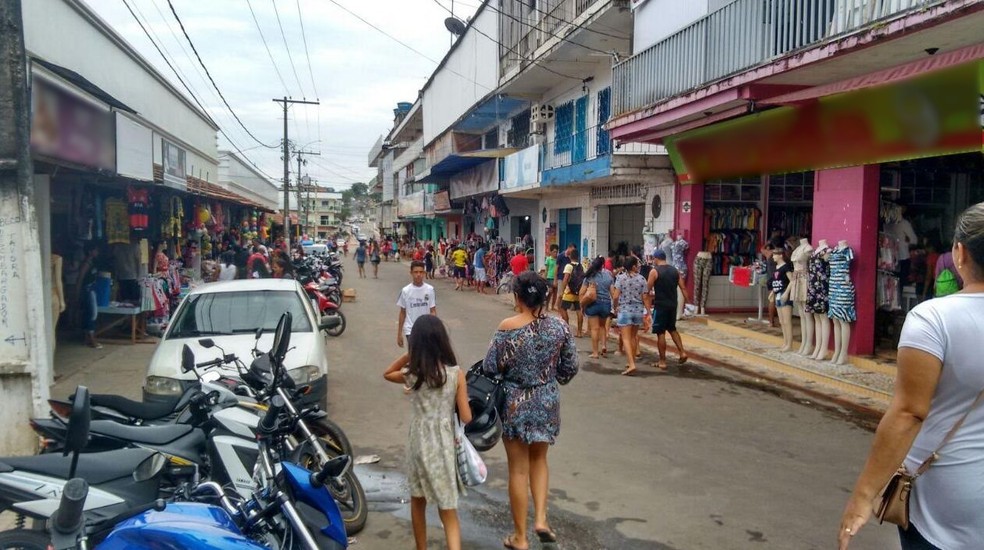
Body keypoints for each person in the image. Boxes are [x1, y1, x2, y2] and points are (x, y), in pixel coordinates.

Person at [838, 203, 984, 550]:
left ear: (959, 253)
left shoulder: (933, 319)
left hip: (947, 502)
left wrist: (863, 496)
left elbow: (908, 413)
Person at [483, 272, 578, 550]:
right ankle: (541, 520)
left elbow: (490, 367)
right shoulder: (559, 327)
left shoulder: (507, 327)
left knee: (518, 470)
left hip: (514, 403)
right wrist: (550, 379)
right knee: (539, 460)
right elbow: (570, 367)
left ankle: (520, 538)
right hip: (546, 401)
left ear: (517, 297)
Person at [383, 315, 471, 550]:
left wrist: (410, 355)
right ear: (443, 341)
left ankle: (421, 547)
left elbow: (388, 373)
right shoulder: (456, 375)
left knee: (418, 500)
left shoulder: (413, 374)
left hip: (419, 443)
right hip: (443, 445)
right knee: (448, 509)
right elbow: (466, 417)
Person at [647, 249, 689, 369]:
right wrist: (688, 302)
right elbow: (683, 287)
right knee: (672, 329)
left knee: (660, 332)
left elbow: (647, 289)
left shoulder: (654, 271)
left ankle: (662, 361)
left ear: (656, 258)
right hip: (672, 305)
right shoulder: (675, 270)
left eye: (653, 259)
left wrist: (645, 300)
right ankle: (682, 352)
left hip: (660, 305)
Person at [612, 256, 649, 375]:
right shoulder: (642, 279)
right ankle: (631, 361)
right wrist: (648, 312)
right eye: (637, 264)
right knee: (633, 337)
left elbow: (616, 296)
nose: (638, 266)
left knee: (626, 338)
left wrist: (615, 307)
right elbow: (645, 297)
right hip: (638, 310)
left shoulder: (620, 278)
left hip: (625, 310)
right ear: (633, 266)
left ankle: (631, 364)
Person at [397, 261, 437, 348]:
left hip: (426, 329)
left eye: (421, 272)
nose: (418, 275)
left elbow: (433, 311)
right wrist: (399, 333)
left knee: (425, 353)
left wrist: (434, 329)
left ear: (424, 273)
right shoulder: (405, 291)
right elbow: (402, 313)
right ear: (411, 273)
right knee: (415, 353)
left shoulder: (430, 290)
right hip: (411, 329)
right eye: (416, 272)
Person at [583, 256, 614, 359]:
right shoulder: (609, 275)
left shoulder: (590, 276)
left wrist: (582, 302)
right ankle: (604, 346)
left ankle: (595, 352)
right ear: (603, 265)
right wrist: (615, 306)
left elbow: (582, 291)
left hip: (593, 303)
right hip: (606, 304)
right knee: (602, 326)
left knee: (594, 329)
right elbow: (612, 293)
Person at [77, 242, 102, 349]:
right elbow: (80, 278)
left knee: (88, 313)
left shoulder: (93, 262)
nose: (97, 252)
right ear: (90, 251)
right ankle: (91, 339)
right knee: (92, 313)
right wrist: (78, 292)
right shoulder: (87, 263)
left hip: (92, 289)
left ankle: (86, 338)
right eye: (95, 250)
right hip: (88, 290)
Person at [558, 249, 584, 337]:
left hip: (569, 292)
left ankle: (567, 330)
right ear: (578, 257)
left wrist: (562, 291)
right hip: (578, 292)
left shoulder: (568, 266)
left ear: (570, 257)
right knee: (579, 310)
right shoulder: (582, 266)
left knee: (562, 308)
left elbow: (565, 279)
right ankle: (579, 332)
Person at [544, 245, 559, 311]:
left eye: (556, 252)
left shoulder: (558, 259)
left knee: (555, 293)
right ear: (551, 252)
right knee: (550, 292)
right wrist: (545, 278)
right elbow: (546, 269)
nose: (555, 253)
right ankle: (547, 306)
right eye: (554, 252)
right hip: (549, 277)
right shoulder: (548, 259)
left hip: (556, 278)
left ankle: (553, 306)